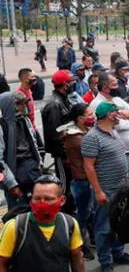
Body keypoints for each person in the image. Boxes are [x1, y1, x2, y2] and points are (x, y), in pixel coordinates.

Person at [0, 175, 86, 272]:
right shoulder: (15, 227)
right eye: (37, 198)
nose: (42, 203)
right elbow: (1, 264)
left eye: (48, 199)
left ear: (62, 200)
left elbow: (77, 257)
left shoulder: (69, 224)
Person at [82, 102, 129, 272]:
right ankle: (105, 262)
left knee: (118, 224)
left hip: (121, 189)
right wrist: (99, 191)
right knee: (103, 229)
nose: (119, 114)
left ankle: (119, 253)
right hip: (106, 191)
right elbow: (89, 167)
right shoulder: (92, 137)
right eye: (116, 112)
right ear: (109, 115)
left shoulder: (113, 131)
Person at [59, 103, 96, 260]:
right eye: (89, 114)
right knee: (83, 215)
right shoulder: (76, 138)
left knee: (90, 212)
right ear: (80, 119)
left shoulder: (83, 133)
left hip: (86, 179)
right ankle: (81, 245)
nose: (93, 116)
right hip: (82, 180)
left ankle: (90, 240)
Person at [0, 92, 43, 208]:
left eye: (24, 103)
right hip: (14, 177)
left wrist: (39, 163)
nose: (24, 106)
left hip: (32, 173)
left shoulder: (25, 120)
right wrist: (11, 185)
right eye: (19, 104)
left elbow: (34, 144)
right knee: (18, 213)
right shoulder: (2, 127)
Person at [89, 73, 129, 169]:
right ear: (105, 88)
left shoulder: (117, 99)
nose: (118, 87)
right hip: (115, 153)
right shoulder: (98, 104)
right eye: (114, 85)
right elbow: (117, 125)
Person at [42, 70, 74, 198]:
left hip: (68, 150)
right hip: (62, 153)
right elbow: (56, 133)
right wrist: (64, 154)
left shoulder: (64, 99)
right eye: (71, 82)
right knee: (64, 182)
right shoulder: (54, 104)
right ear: (65, 84)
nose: (73, 84)